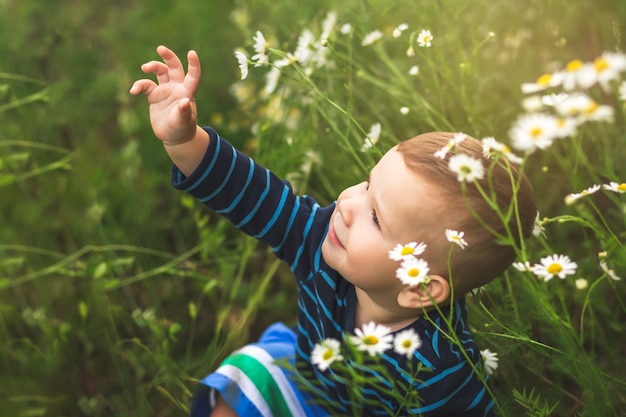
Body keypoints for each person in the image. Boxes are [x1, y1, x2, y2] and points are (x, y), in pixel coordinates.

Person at [130, 45, 537, 417]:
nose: (347, 204)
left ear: (420, 289)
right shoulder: (320, 239)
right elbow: (252, 193)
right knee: (245, 379)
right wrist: (185, 142)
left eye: (376, 218)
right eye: (366, 184)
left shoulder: (440, 370)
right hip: (305, 383)